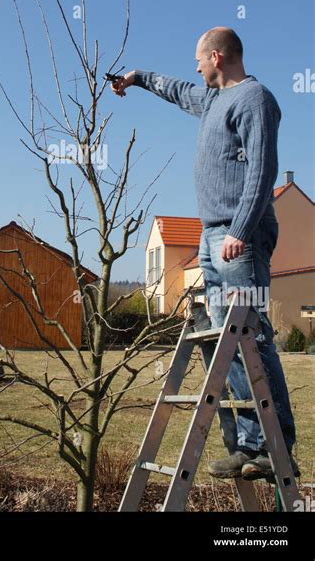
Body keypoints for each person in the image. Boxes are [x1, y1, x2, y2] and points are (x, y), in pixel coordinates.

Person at [110, 27, 299, 481]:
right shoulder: (213, 102)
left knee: (252, 335)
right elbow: (176, 91)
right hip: (211, 237)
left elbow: (262, 169)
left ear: (217, 56)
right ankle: (246, 446)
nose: (195, 68)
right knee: (224, 340)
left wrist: (240, 228)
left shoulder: (255, 100)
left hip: (240, 237)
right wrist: (136, 78)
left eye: (199, 60)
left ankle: (276, 447)